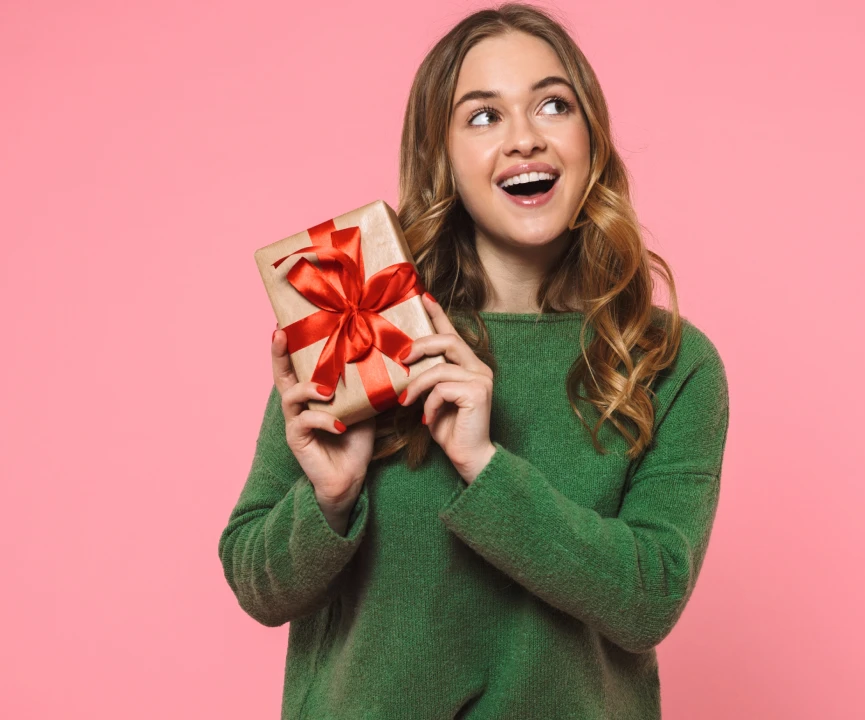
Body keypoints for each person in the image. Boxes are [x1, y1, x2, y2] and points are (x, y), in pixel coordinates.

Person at [217, 4, 730, 719]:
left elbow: (649, 601)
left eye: (553, 105)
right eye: (484, 116)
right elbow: (256, 583)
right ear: (444, 157)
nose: (524, 139)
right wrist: (328, 500)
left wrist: (485, 466)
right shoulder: (362, 316)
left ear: (591, 137)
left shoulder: (667, 360)